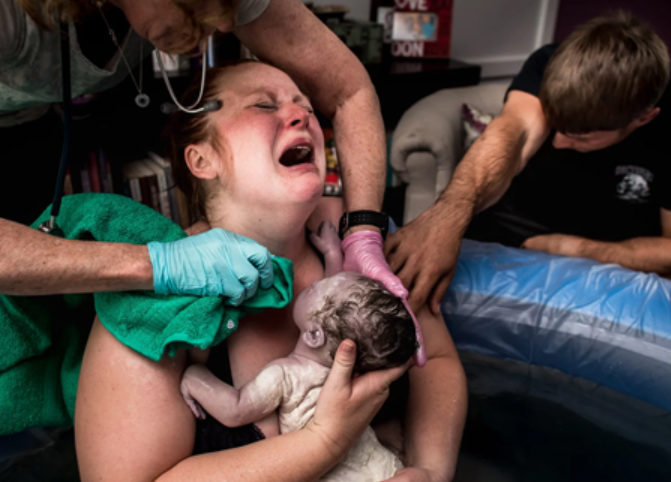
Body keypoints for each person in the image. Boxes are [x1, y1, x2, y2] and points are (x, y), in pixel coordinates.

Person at [75, 61, 467, 482]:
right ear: (202, 159)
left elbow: (437, 360)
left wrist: (429, 472)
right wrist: (323, 443)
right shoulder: (157, 303)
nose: (302, 116)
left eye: (307, 107)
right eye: (264, 106)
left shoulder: (357, 238)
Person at [0, 0, 402, 307]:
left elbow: (347, 92)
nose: (227, 22)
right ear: (199, 160)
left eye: (300, 103)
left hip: (31, 127)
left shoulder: (334, 235)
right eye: (263, 105)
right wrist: (159, 267)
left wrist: (363, 233)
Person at [387, 11, 671, 314]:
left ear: (644, 118)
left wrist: (575, 249)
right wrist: (447, 217)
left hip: (609, 242)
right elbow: (514, 133)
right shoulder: (549, 62)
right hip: (513, 222)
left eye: (582, 138)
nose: (560, 143)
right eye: (556, 127)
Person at [180, 220, 417, 481]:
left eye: (316, 287)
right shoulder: (355, 373)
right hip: (386, 468)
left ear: (314, 335)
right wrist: (332, 254)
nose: (314, 283)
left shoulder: (286, 376)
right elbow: (337, 309)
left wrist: (193, 376)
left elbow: (235, 410)